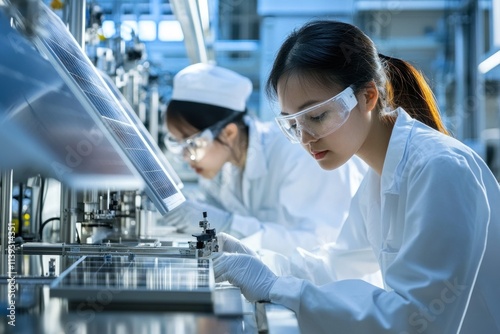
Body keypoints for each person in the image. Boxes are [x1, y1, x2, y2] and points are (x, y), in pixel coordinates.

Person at [212, 20, 500, 333]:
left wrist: (277, 288)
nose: (306, 139)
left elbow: (419, 319)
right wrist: (263, 262)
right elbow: (338, 265)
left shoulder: (439, 168)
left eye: (318, 116)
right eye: (294, 125)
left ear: (368, 97)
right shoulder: (378, 178)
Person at [162, 63, 368, 257]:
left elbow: (318, 242)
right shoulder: (220, 169)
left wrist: (229, 225)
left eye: (192, 145)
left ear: (229, 133)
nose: (185, 157)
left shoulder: (299, 153)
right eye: (177, 145)